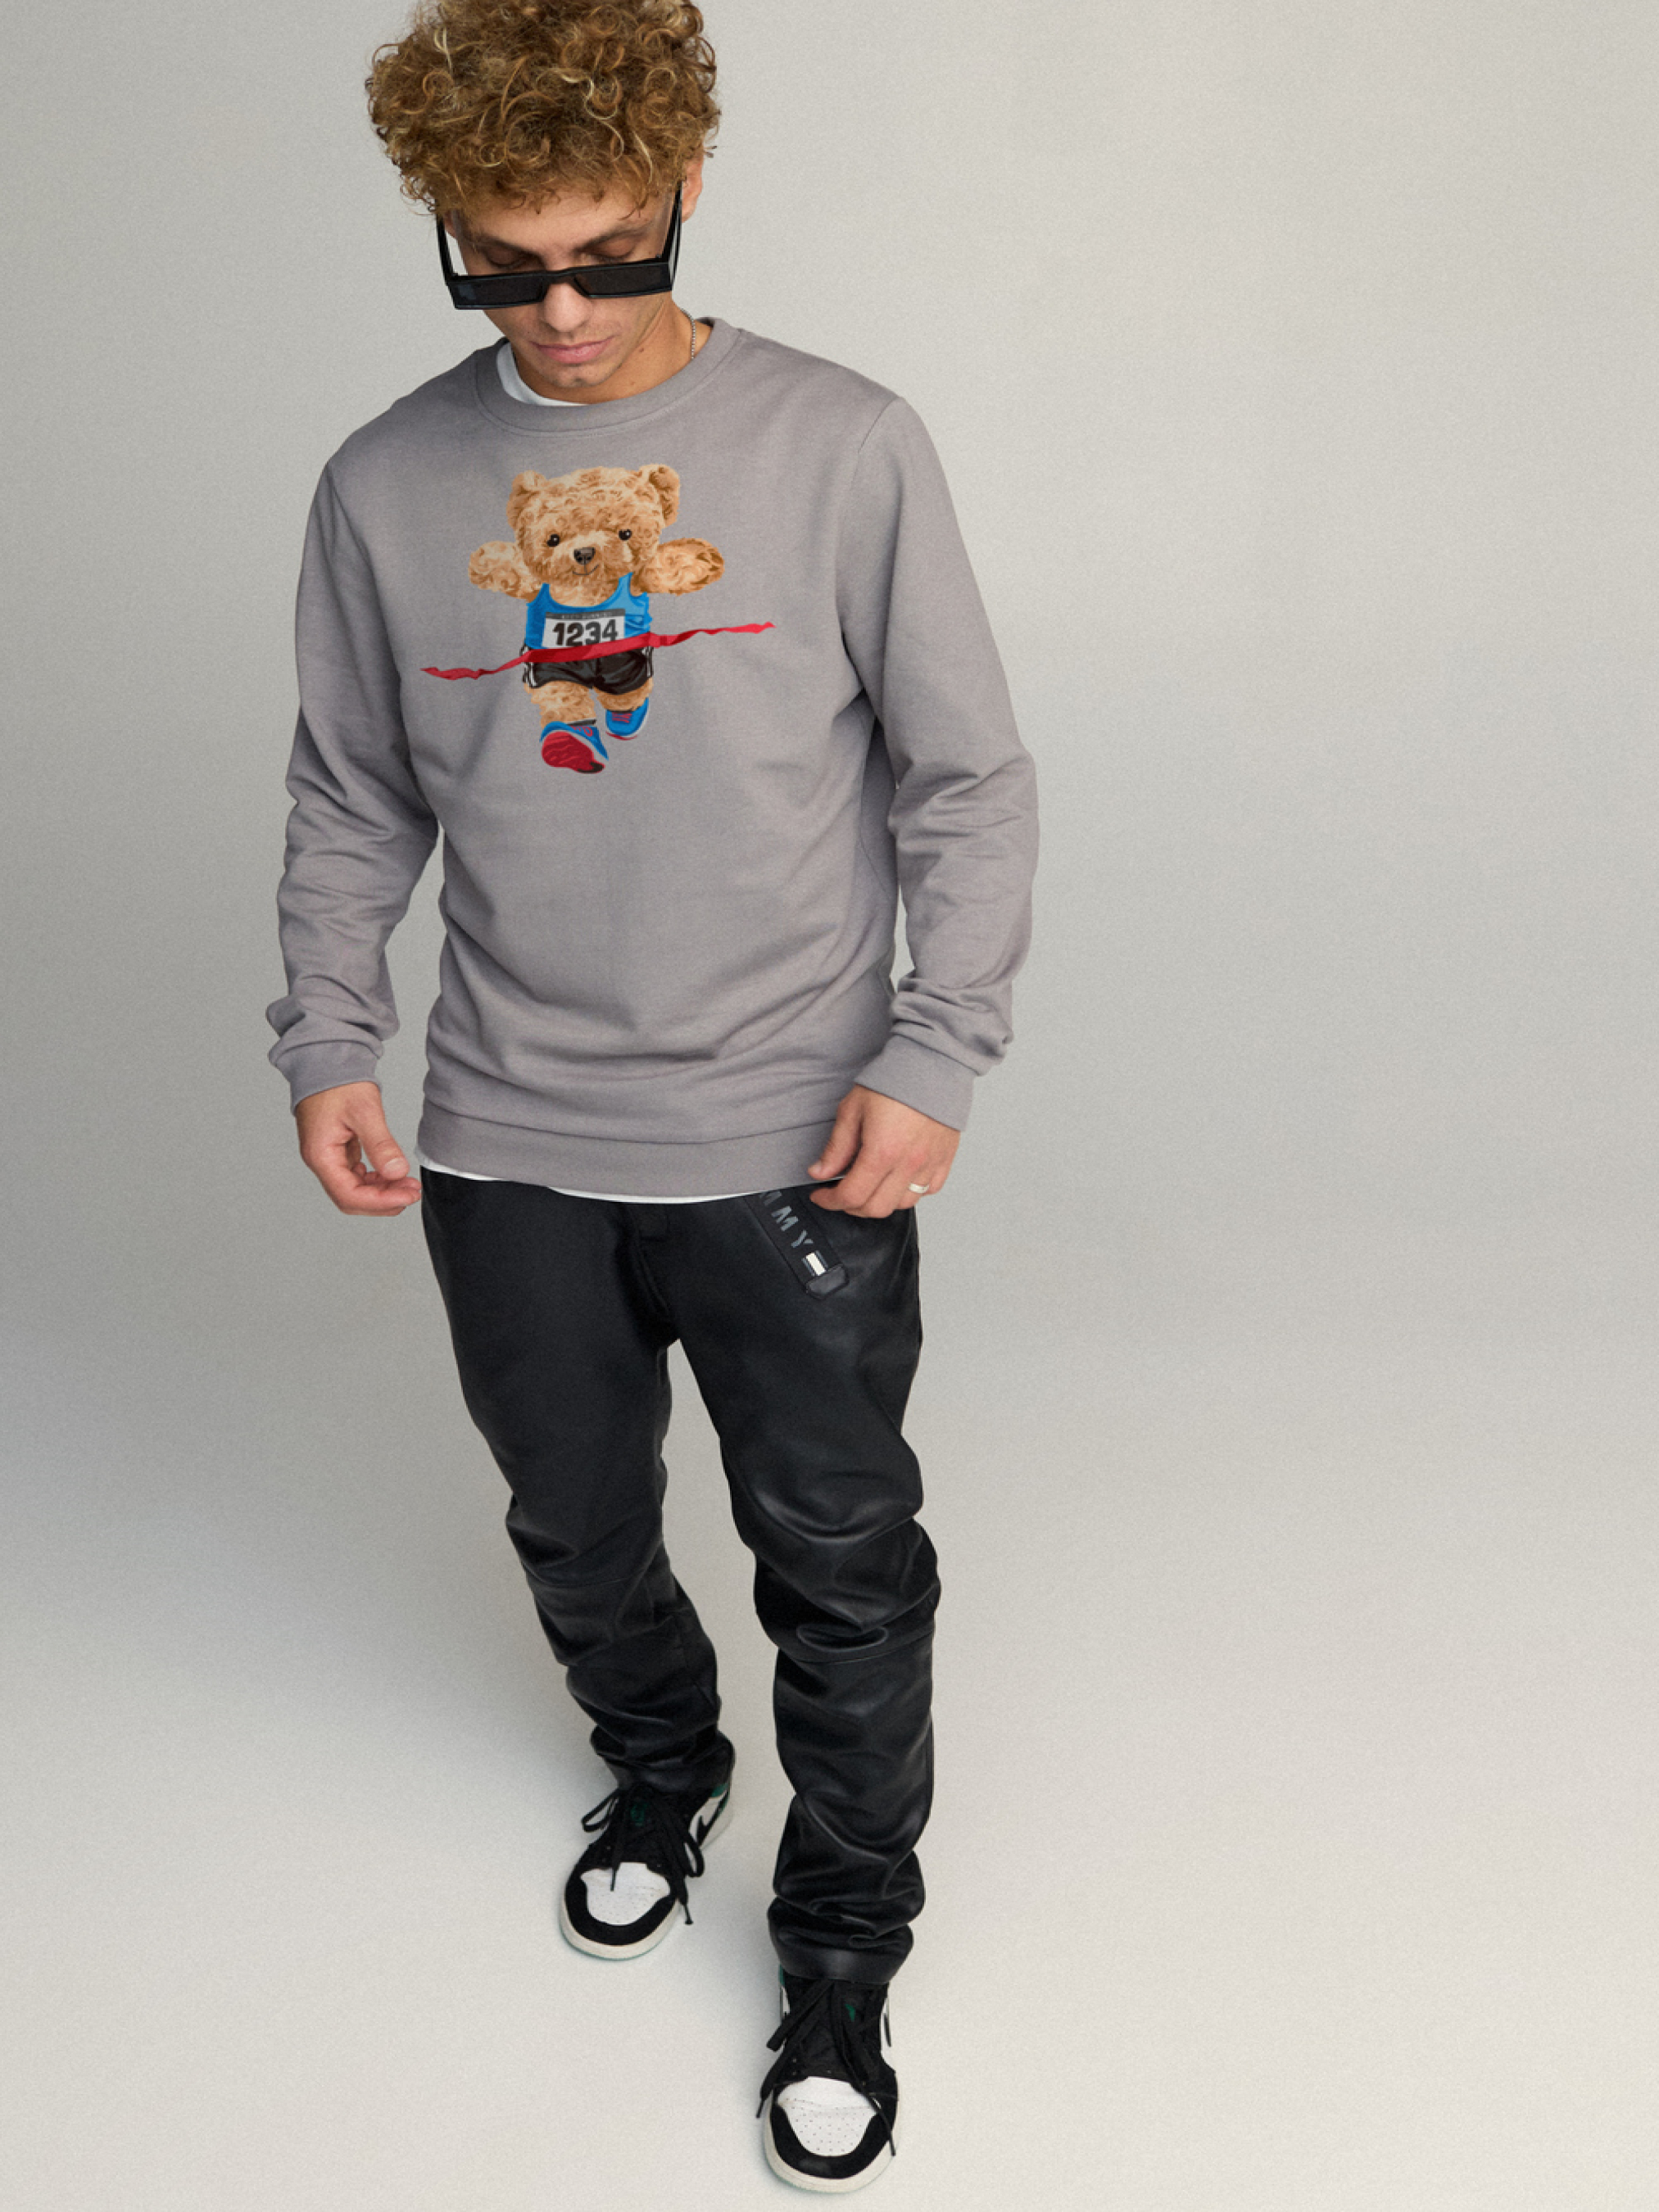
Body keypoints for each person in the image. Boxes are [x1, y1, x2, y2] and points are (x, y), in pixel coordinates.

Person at [265, 0, 1037, 2190]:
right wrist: (330, 1030)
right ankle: (665, 1768)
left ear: (685, 188)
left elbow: (969, 778)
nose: (565, 314)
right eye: (503, 270)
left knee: (840, 1556)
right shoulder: (385, 483)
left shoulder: (842, 442)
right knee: (573, 1521)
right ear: (444, 230)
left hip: (792, 1133)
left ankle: (842, 1941)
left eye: (609, 255)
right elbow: (351, 792)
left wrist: (936, 1049)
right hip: (506, 1131)